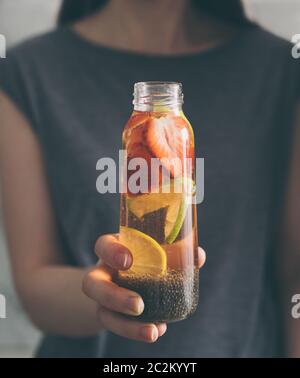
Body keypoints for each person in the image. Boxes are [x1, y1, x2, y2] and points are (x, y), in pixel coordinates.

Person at [0, 0, 299, 358]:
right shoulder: (26, 73)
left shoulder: (283, 68)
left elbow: (294, 274)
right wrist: (106, 294)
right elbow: (35, 286)